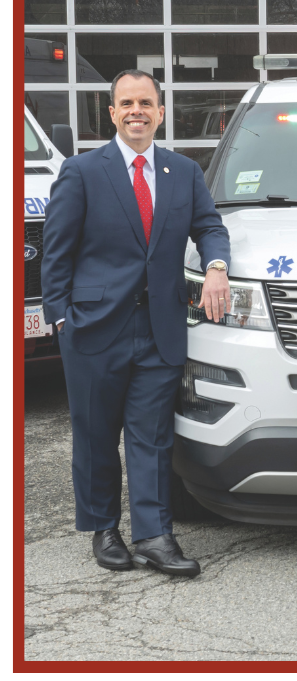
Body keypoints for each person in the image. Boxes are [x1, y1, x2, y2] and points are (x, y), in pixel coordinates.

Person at [42, 70, 231, 577]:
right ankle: (104, 528)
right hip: (93, 330)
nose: (136, 111)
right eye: (126, 103)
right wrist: (61, 319)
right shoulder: (83, 171)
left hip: (160, 330)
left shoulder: (183, 171)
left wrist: (216, 267)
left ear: (161, 112)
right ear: (111, 113)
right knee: (96, 435)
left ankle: (153, 536)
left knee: (151, 437)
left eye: (145, 102)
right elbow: (56, 255)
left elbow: (210, 226)